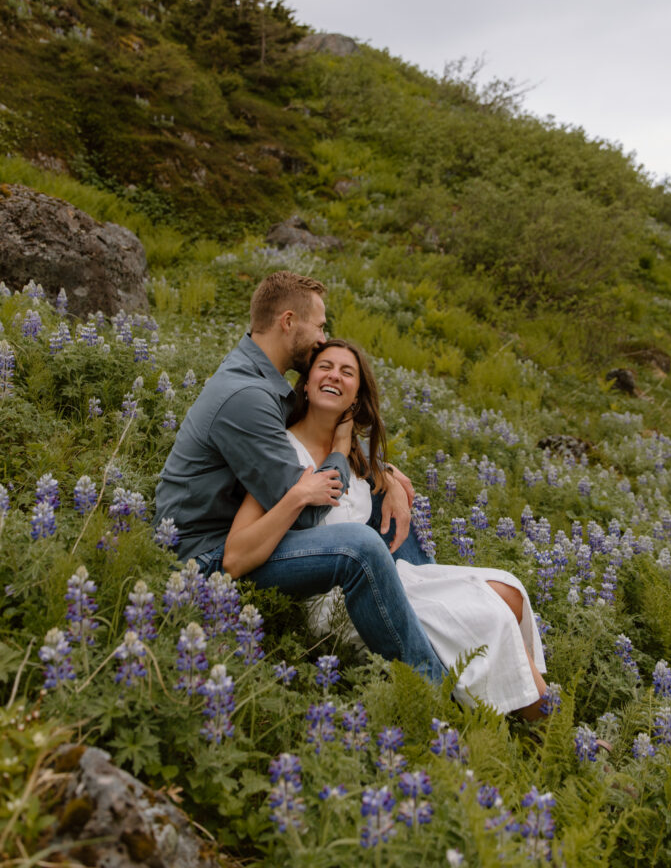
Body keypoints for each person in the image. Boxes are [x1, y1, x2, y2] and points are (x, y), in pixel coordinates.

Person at [224, 339, 549, 719]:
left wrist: (385, 474)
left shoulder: (353, 454)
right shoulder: (282, 451)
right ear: (307, 385)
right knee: (489, 616)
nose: (334, 376)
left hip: (389, 575)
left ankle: (520, 706)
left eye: (348, 372)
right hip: (341, 599)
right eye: (325, 367)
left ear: (356, 398)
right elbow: (236, 554)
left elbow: (363, 478)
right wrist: (297, 495)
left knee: (509, 591)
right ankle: (548, 729)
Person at [154, 271, 445, 684]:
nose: (324, 340)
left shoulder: (258, 378)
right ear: (288, 321)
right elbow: (308, 511)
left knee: (378, 495)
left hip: (251, 532)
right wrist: (342, 449)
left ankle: (427, 610)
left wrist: (384, 472)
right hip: (209, 560)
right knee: (358, 546)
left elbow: (306, 450)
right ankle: (430, 684)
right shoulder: (248, 397)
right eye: (320, 327)